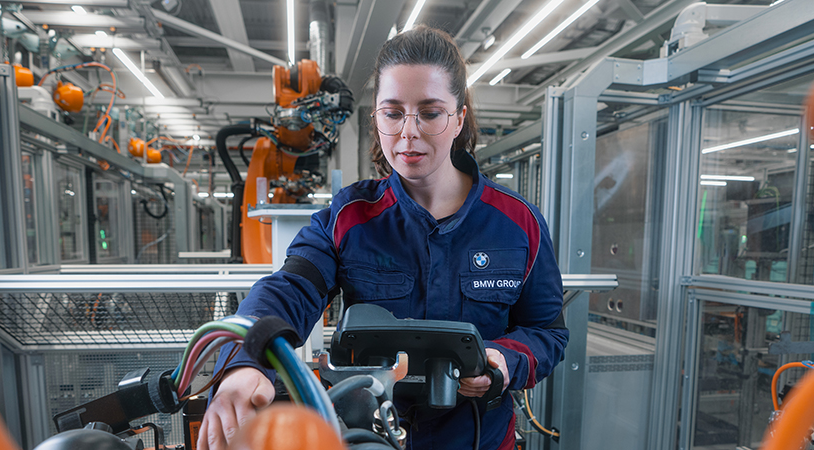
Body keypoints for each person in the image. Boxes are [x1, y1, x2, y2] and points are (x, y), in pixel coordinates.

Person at [198, 26, 567, 450]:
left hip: (479, 439)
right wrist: (244, 364)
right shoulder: (350, 217)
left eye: (430, 113)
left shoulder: (518, 223)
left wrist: (505, 360)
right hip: (375, 438)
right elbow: (289, 289)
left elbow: (548, 332)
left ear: (459, 117)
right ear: (375, 116)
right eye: (393, 112)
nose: (408, 132)